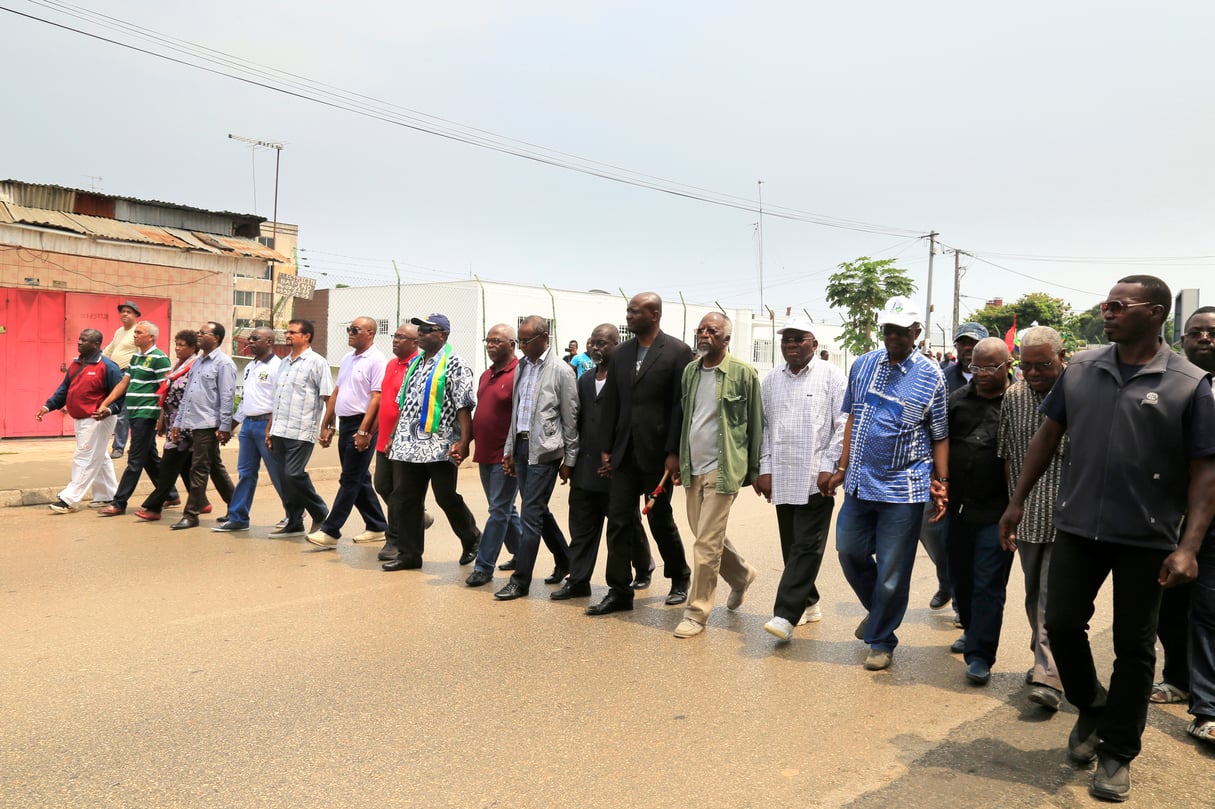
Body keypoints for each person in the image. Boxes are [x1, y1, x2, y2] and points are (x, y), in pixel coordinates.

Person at [999, 276, 1215, 801]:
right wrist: (1018, 499)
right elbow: (1048, 436)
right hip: (1077, 526)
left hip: (1147, 536)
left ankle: (1118, 751)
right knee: (1063, 623)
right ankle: (1093, 707)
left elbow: (1206, 471)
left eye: (1120, 305)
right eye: (1106, 304)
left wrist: (1188, 546)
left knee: (1134, 647)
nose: (1109, 312)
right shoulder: (1082, 369)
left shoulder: (1189, 383)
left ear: (1155, 312)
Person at [828, 296, 949, 671]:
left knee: (894, 572)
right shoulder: (863, 365)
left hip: (904, 488)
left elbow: (940, 434)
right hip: (861, 484)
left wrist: (942, 482)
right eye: (887, 330)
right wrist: (842, 467)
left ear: (916, 333)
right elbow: (851, 419)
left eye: (900, 331)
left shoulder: (932, 376)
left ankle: (881, 640)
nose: (893, 337)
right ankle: (879, 612)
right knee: (849, 552)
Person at [587, 292, 694, 616]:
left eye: (635, 312)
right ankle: (619, 591)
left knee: (660, 520)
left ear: (655, 314)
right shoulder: (620, 353)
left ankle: (679, 576)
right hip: (624, 453)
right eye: (628, 311)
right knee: (618, 521)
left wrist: (674, 452)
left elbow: (680, 407)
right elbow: (612, 403)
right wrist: (606, 446)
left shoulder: (677, 352)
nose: (629, 316)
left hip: (657, 455)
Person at [668, 313, 763, 638]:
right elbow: (688, 419)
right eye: (701, 330)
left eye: (713, 331)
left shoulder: (743, 373)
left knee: (706, 544)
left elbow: (755, 424)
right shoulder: (691, 372)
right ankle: (741, 576)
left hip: (724, 469)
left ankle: (697, 613)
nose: (705, 334)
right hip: (692, 466)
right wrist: (680, 462)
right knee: (703, 533)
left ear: (726, 339)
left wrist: (753, 471)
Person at [756, 317, 847, 642]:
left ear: (814, 343)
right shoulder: (770, 381)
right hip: (782, 475)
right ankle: (809, 602)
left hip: (815, 476)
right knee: (791, 545)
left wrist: (831, 465)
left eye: (798, 339)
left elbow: (842, 423)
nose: (791, 345)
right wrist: (764, 468)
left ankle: (785, 614)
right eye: (786, 340)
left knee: (806, 546)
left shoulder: (832, 377)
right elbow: (765, 427)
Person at [1152, 306, 1215, 747]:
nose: (1204, 339)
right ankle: (1177, 676)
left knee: (1208, 610)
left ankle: (1207, 708)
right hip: (1172, 512)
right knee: (1167, 602)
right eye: (1195, 333)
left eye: (1212, 332)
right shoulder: (1172, 384)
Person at [996, 325, 1068, 713]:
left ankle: (1049, 675)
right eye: (1026, 366)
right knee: (1033, 594)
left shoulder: (1082, 394)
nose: (1034, 373)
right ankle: (1045, 660)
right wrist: (1013, 506)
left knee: (1051, 597)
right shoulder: (1015, 396)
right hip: (1028, 514)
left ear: (1062, 357)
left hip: (1071, 513)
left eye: (1043, 365)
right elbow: (1009, 455)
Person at [559, 324, 654, 600]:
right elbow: (575, 421)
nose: (596, 348)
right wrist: (570, 459)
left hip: (616, 470)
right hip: (586, 469)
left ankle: (644, 566)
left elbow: (631, 424)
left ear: (617, 345)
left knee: (626, 526)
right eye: (593, 343)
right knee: (581, 528)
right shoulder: (585, 379)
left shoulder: (627, 379)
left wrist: (617, 456)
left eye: (603, 343)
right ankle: (578, 580)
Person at [382, 314, 481, 571]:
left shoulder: (455, 363)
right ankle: (409, 554)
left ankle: (472, 539)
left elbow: (464, 405)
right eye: (420, 328)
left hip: (440, 445)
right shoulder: (415, 364)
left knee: (445, 497)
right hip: (408, 444)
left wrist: (464, 441)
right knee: (405, 498)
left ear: (443, 334)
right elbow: (403, 405)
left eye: (428, 329)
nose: (421, 332)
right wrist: (394, 436)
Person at [943, 337, 1013, 686]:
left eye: (989, 367)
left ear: (1007, 365)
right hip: (959, 509)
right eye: (976, 367)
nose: (981, 373)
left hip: (998, 513)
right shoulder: (957, 401)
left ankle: (981, 655)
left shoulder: (1019, 403)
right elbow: (938, 443)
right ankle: (971, 631)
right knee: (962, 579)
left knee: (988, 583)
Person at [493, 316, 577, 600]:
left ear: (544, 338)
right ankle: (566, 559)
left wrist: (570, 459)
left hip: (546, 451)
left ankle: (521, 581)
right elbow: (516, 413)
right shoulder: (522, 368)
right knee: (537, 509)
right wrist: (508, 449)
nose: (521, 346)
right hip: (521, 448)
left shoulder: (561, 371)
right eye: (519, 340)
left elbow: (570, 419)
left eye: (526, 341)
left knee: (530, 514)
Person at [307, 317, 389, 547]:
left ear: (371, 333)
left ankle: (331, 530)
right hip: (346, 423)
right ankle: (377, 525)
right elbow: (338, 390)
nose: (350, 333)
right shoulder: (347, 358)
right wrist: (327, 423)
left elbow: (378, 397)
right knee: (359, 477)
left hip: (363, 424)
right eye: (348, 329)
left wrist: (365, 431)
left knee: (350, 478)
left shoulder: (376, 360)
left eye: (355, 329)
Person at [94, 321, 176, 517]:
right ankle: (171, 494)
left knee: (135, 460)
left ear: (151, 337)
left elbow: (165, 390)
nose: (135, 335)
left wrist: (161, 417)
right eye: (135, 332)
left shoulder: (159, 359)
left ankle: (119, 502)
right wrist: (106, 403)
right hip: (134, 412)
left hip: (146, 415)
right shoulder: (136, 357)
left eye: (139, 333)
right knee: (149, 458)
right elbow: (124, 383)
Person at [36, 329, 124, 513]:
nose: (79, 342)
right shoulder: (76, 364)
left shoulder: (108, 367)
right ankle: (107, 495)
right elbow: (64, 389)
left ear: (96, 345)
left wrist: (109, 410)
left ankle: (70, 499)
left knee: (85, 456)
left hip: (98, 419)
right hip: (81, 419)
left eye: (84, 340)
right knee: (99, 456)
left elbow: (121, 394)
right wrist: (48, 406)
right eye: (79, 339)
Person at [466, 324, 524, 586]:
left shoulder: (519, 374)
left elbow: (521, 417)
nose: (491, 345)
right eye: (488, 340)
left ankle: (483, 566)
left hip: (506, 456)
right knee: (505, 509)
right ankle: (523, 553)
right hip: (485, 454)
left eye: (497, 341)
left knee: (498, 511)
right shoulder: (486, 374)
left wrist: (512, 453)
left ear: (512, 344)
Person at [214, 327, 286, 533]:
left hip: (267, 425)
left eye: (255, 339)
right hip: (248, 426)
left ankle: (294, 513)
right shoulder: (249, 367)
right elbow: (246, 401)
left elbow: (279, 401)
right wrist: (229, 427)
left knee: (277, 473)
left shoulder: (278, 367)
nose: (250, 342)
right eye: (249, 338)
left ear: (270, 341)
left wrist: (271, 428)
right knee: (245, 473)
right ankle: (238, 517)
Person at [266, 319, 332, 537]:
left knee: (294, 474)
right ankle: (294, 521)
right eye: (287, 331)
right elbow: (277, 398)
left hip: (302, 429)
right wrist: (270, 428)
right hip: (280, 429)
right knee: (285, 478)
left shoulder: (317, 362)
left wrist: (326, 427)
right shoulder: (284, 363)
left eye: (293, 332)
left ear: (307, 336)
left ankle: (320, 513)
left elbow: (328, 396)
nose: (288, 335)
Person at [374, 322, 433, 562]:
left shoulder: (418, 367)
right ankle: (417, 518)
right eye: (394, 336)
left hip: (403, 440)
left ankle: (395, 539)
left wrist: (396, 437)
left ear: (415, 343)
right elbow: (383, 400)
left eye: (401, 337)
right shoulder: (390, 365)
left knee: (401, 493)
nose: (395, 340)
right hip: (383, 439)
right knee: (382, 485)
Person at [168, 322, 236, 530]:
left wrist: (225, 426)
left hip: (209, 423)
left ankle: (192, 514)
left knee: (199, 467)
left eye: (203, 333)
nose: (198, 335)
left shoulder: (223, 364)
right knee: (214, 466)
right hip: (194, 422)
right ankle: (237, 508)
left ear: (215, 338)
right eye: (198, 332)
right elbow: (188, 396)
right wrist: (179, 422)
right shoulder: (198, 362)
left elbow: (227, 397)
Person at [136, 331, 209, 520]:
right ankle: (201, 502)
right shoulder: (178, 366)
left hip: (185, 426)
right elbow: (168, 395)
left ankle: (154, 507)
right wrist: (162, 420)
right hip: (172, 422)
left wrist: (178, 423)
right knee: (184, 465)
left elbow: (190, 397)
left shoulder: (195, 367)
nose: (177, 348)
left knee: (168, 465)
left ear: (193, 348)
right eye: (176, 344)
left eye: (182, 345)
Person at [103, 300, 140, 459]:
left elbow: (141, 353)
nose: (124, 314)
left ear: (136, 316)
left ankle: (119, 447)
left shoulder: (137, 332)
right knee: (117, 411)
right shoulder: (119, 331)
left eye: (129, 311)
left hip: (130, 376)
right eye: (123, 311)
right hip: (116, 376)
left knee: (124, 414)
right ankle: (125, 446)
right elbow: (109, 350)